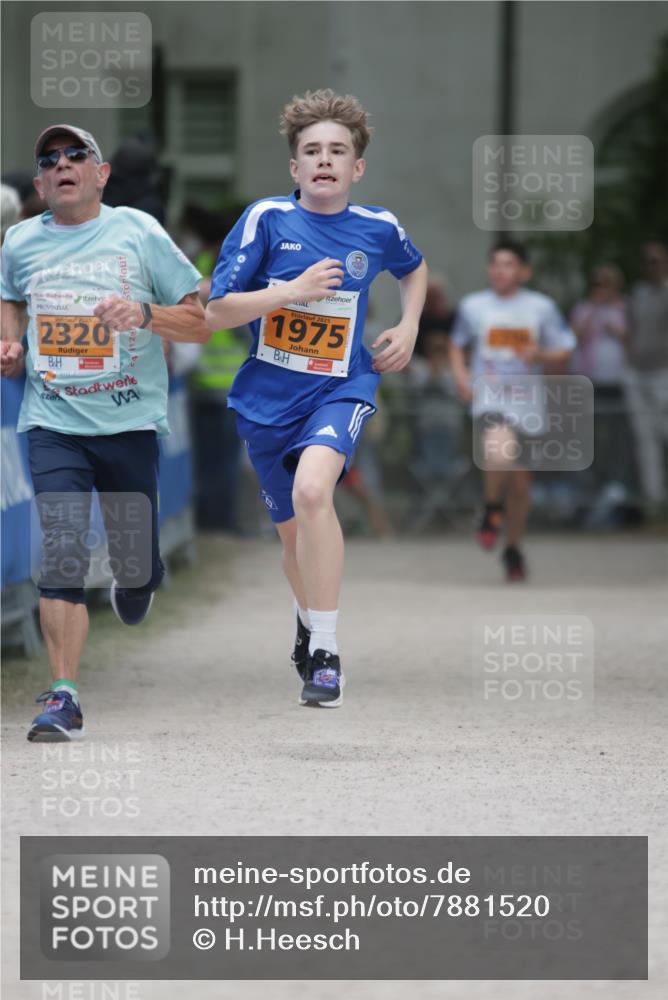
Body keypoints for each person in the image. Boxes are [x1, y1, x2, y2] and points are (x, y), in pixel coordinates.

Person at [205, 89, 427, 707]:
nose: (324, 159)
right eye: (312, 150)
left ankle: (325, 655)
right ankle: (308, 618)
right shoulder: (266, 219)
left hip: (341, 387)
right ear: (294, 166)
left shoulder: (378, 227)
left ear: (358, 167)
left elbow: (413, 268)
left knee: (313, 493)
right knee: (292, 541)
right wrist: (291, 290)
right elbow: (218, 311)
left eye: (337, 150)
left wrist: (409, 324)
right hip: (267, 399)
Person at [0, 124, 208, 741]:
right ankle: (63, 695)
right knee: (61, 548)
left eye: (75, 155)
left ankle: (139, 577)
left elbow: (198, 321)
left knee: (134, 563)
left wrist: (142, 313)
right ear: (40, 184)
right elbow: (9, 296)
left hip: (128, 422)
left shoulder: (138, 232)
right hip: (53, 423)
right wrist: (11, 342)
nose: (61, 164)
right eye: (49, 160)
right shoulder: (19, 241)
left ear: (101, 173)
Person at [449, 241, 575, 581]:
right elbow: (456, 344)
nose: (500, 270)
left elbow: (564, 349)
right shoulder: (473, 306)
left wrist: (540, 355)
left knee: (520, 485)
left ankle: (513, 548)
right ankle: (491, 509)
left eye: (509, 264)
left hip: (528, 403)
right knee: (499, 453)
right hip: (490, 398)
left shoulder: (541, 307)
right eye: (496, 264)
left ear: (524, 271)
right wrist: (461, 376)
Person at [570, 265, 635, 500]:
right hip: (589, 381)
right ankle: (591, 486)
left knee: (617, 434)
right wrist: (593, 310)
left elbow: (635, 339)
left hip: (617, 380)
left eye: (607, 284)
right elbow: (573, 338)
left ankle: (617, 483)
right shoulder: (584, 308)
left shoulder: (625, 308)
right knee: (589, 434)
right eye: (598, 284)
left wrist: (618, 331)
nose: (603, 289)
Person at [624, 240, 668, 514]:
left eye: (656, 261)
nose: (652, 266)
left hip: (663, 372)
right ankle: (654, 498)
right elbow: (632, 328)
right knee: (645, 438)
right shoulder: (638, 294)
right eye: (648, 262)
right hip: (637, 372)